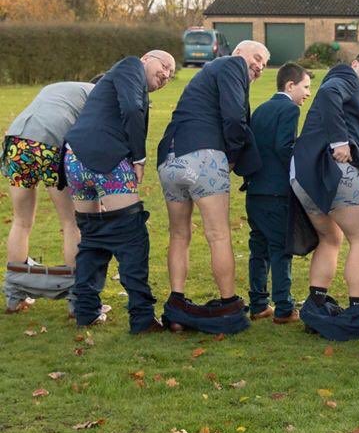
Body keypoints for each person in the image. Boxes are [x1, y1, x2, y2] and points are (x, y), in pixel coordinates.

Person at [63, 50, 176, 332]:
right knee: (132, 236)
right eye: (164, 66)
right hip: (108, 161)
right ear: (147, 57)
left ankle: (85, 311)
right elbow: (131, 108)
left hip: (74, 161)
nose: (166, 75)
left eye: (171, 76)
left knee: (91, 238)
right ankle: (142, 317)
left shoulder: (120, 80)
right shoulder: (129, 66)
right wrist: (139, 157)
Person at [157, 40, 267, 315]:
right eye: (256, 57)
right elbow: (233, 117)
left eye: (264, 64)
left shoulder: (207, 74)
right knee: (218, 235)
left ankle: (177, 302)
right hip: (203, 157)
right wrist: (232, 155)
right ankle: (229, 303)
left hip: (170, 160)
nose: (259, 66)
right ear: (239, 53)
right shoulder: (232, 64)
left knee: (179, 235)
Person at [290, 50, 359, 312]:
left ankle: (317, 304)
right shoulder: (345, 77)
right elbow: (328, 94)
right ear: (356, 65)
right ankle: (358, 310)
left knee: (331, 238)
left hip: (304, 174)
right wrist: (339, 140)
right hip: (333, 168)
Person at [2, 79, 95, 312]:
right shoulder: (97, 94)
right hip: (51, 146)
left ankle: (14, 296)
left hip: (16, 142)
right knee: (71, 221)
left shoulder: (59, 87)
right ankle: (77, 299)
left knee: (21, 221)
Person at [244, 63, 311, 323]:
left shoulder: (260, 109)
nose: (307, 93)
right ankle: (284, 307)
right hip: (276, 192)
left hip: (255, 190)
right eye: (305, 87)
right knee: (281, 249)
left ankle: (259, 303)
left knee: (258, 249)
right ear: (290, 85)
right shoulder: (289, 109)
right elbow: (285, 147)